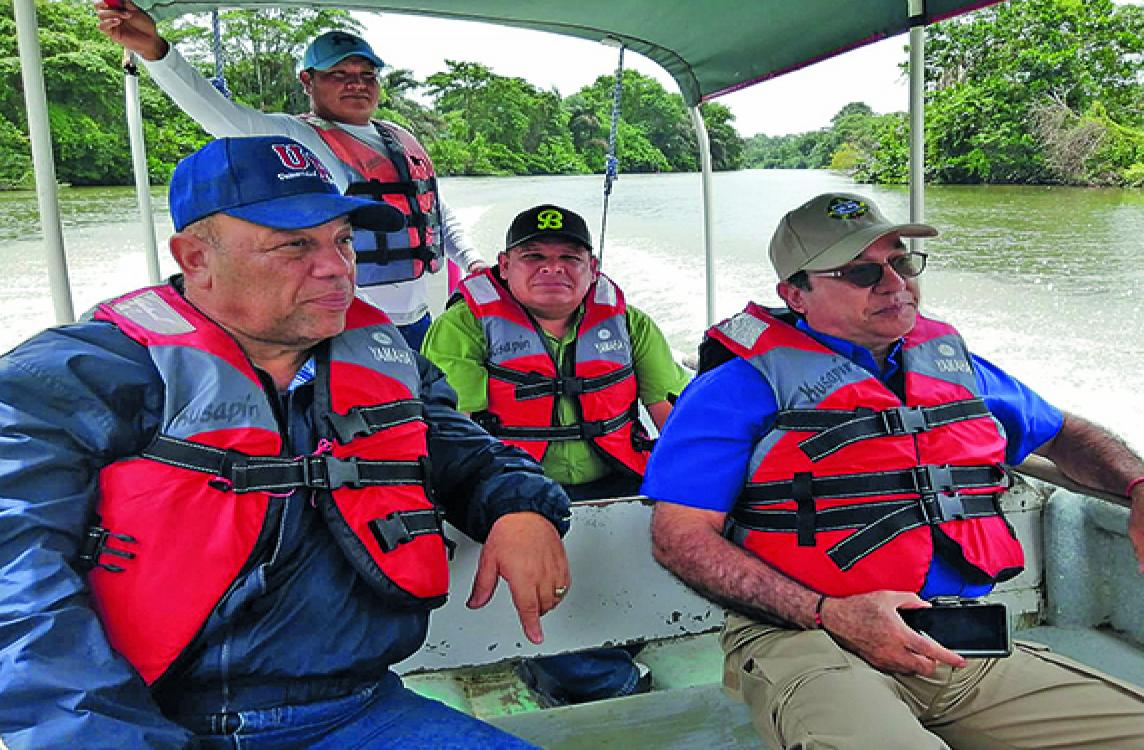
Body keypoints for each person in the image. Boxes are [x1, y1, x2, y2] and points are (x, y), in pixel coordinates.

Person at [0, 136, 573, 749]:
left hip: (363, 712)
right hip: (154, 724)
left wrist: (519, 505)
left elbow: (462, 450)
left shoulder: (387, 359)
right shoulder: (80, 374)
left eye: (343, 240)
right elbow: (16, 590)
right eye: (295, 244)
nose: (335, 267)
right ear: (195, 258)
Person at [643, 192, 1144, 749]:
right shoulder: (734, 389)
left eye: (901, 262)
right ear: (795, 293)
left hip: (950, 636)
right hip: (803, 637)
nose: (893, 283)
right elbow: (679, 538)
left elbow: (1065, 434)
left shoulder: (951, 365)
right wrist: (826, 612)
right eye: (861, 271)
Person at [422, 204, 691, 706]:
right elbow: (457, 437)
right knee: (554, 602)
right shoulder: (463, 327)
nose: (553, 268)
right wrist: (512, 505)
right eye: (534, 256)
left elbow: (672, 419)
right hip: (514, 490)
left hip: (619, 480)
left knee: (686, 541)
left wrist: (693, 500)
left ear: (593, 267)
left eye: (570, 256)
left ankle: (600, 654)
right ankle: (599, 681)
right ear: (504, 265)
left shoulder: (631, 324)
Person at [96, 4, 488, 348]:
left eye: (366, 74)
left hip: (421, 317)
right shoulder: (297, 136)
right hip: (350, 319)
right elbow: (218, 113)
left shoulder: (400, 137)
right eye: (339, 73)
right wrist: (155, 52)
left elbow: (433, 210)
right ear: (308, 81)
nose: (356, 83)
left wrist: (471, 261)